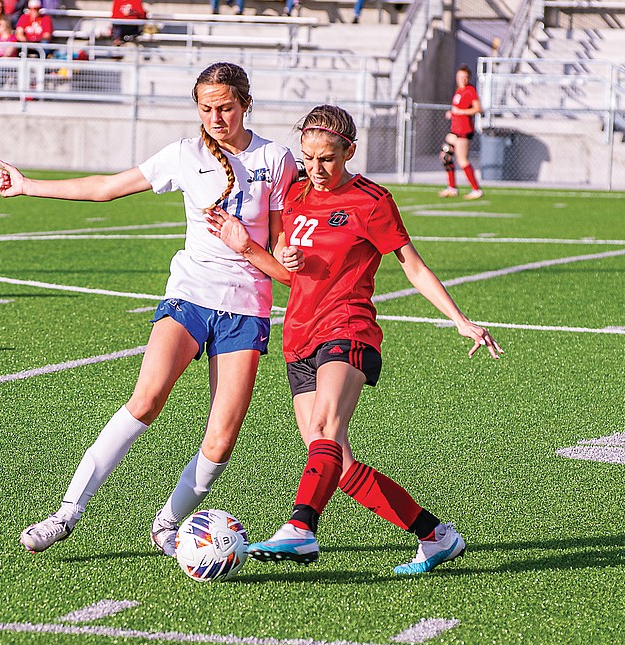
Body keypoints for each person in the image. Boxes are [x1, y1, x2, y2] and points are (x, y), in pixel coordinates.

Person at [0, 62, 300, 556]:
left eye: (225, 107)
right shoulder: (184, 155)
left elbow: (284, 265)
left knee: (221, 439)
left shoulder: (277, 159)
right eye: (206, 108)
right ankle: (67, 512)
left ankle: (168, 522)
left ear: (245, 103)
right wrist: (29, 186)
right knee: (146, 399)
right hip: (189, 295)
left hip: (247, 308)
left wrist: (264, 250)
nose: (216, 117)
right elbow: (108, 188)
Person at [208, 104, 502, 575]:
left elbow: (413, 265)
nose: (315, 169)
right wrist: (253, 249)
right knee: (335, 465)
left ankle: (301, 528)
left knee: (324, 430)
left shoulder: (372, 200)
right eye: (307, 158)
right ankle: (435, 535)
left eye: (326, 158)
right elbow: (287, 273)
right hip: (299, 336)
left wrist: (460, 319)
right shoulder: (297, 195)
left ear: (349, 150)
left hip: (348, 328)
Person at [440, 64, 484, 200]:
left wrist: (461, 112)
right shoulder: (459, 90)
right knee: (445, 156)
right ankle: (452, 188)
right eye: (460, 76)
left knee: (462, 160)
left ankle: (476, 189)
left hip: (464, 131)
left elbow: (478, 109)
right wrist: (452, 113)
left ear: (468, 78)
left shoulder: (470, 91)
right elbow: (457, 108)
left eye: (465, 77)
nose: (462, 79)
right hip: (455, 131)